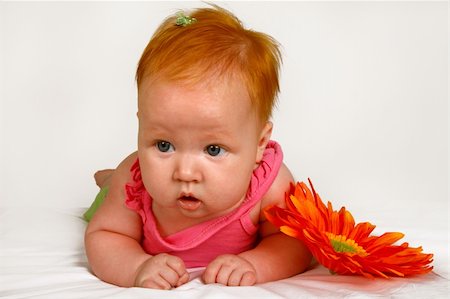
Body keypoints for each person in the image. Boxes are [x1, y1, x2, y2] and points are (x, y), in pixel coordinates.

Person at [84, 4, 312, 290]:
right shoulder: (134, 180)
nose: (185, 172)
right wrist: (136, 267)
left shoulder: (269, 185)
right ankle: (107, 181)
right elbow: (105, 235)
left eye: (213, 149)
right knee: (110, 195)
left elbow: (294, 242)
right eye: (164, 145)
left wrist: (256, 264)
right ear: (142, 125)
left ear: (259, 145)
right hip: (123, 193)